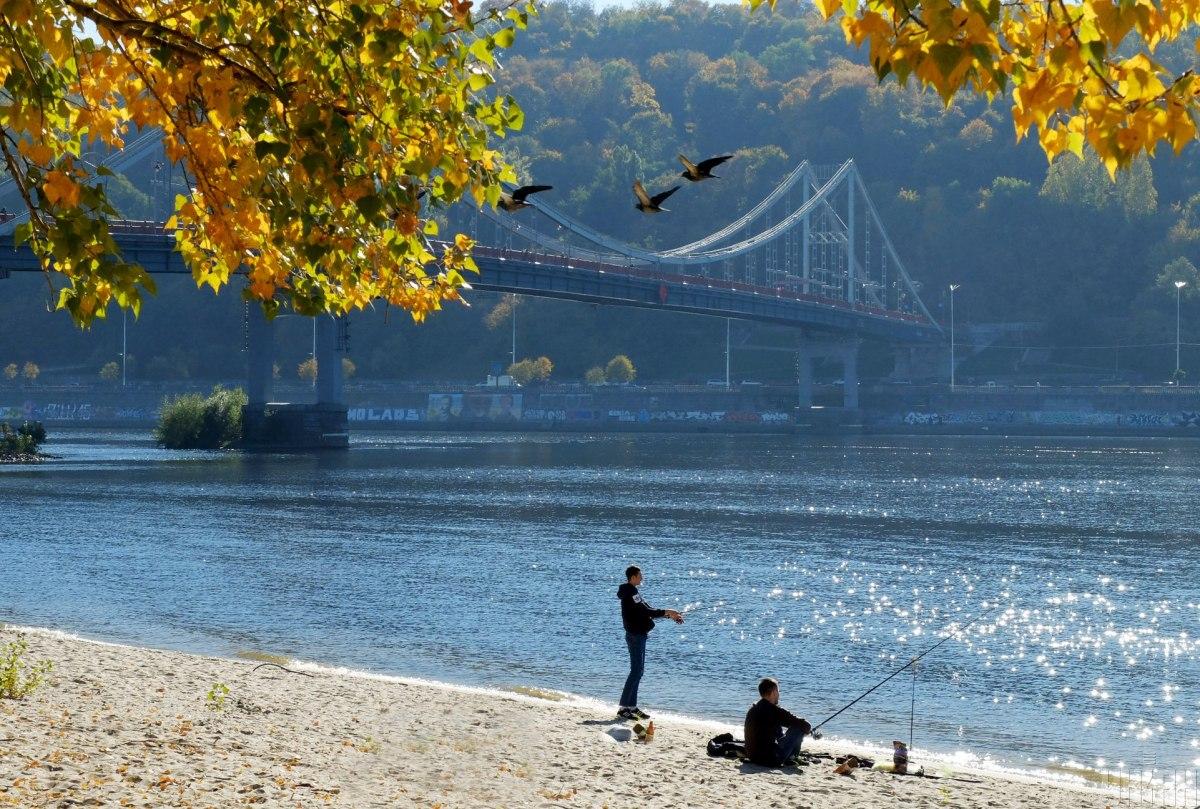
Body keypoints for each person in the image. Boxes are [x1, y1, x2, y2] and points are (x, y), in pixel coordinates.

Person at [616, 565, 683, 721]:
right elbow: (645, 612)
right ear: (633, 577)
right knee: (635, 671)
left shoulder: (633, 592)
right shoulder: (630, 592)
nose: (642, 578)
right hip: (635, 635)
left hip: (639, 634)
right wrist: (668, 611)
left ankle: (632, 707)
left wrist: (670, 615)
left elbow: (647, 608)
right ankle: (623, 708)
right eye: (640, 575)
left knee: (639, 671)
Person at [744, 677, 815, 767]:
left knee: (777, 726)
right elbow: (806, 725)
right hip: (770, 759)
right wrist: (806, 731)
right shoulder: (774, 710)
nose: (778, 694)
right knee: (798, 728)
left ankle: (789, 756)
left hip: (752, 756)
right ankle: (792, 757)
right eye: (778, 691)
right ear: (773, 692)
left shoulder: (753, 709)